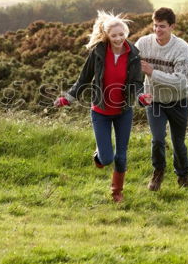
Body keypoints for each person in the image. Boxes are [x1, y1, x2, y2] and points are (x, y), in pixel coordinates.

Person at [54, 11, 143, 202]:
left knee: (121, 156)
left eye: (121, 34)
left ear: (126, 33)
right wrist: (67, 98)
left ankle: (116, 192)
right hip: (100, 111)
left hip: (123, 111)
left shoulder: (134, 54)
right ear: (107, 36)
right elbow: (83, 79)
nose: (118, 38)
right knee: (107, 159)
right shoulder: (98, 52)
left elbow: (136, 82)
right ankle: (99, 156)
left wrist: (142, 96)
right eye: (114, 35)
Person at [135, 7, 188, 191]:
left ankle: (182, 175)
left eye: (162, 26)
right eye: (155, 26)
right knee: (157, 139)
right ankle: (158, 173)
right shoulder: (143, 43)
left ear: (172, 26)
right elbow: (131, 70)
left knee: (178, 142)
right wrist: (139, 94)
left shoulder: (182, 48)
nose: (157, 30)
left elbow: (180, 81)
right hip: (154, 101)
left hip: (178, 100)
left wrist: (152, 72)